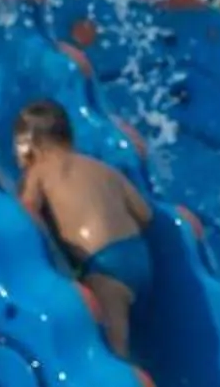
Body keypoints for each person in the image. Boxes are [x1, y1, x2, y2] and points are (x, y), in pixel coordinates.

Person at [11, 100, 155, 357]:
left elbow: (26, 212)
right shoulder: (104, 169)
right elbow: (145, 215)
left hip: (102, 263)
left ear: (29, 146)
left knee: (113, 348)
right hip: (138, 255)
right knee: (122, 329)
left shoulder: (39, 172)